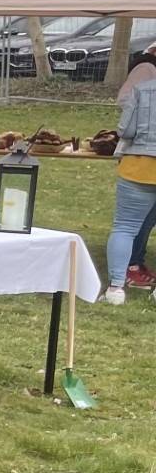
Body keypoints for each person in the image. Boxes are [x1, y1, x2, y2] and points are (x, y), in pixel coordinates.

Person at [107, 40, 156, 305]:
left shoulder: (142, 89)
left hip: (139, 165)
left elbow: (126, 131)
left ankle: (115, 288)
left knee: (124, 227)